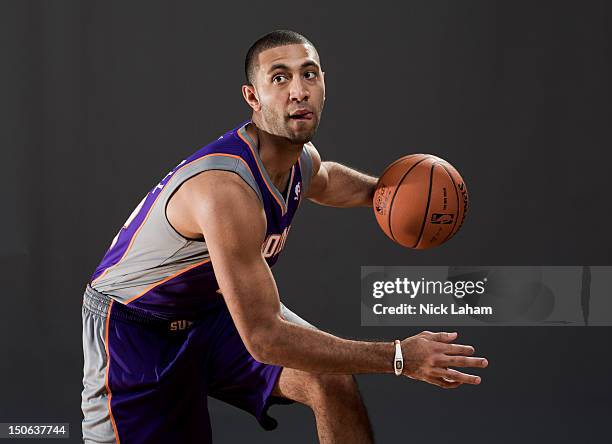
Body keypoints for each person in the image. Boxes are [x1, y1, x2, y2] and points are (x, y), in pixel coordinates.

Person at [81, 29, 488, 444]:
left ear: (324, 84)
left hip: (210, 313)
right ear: (252, 97)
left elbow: (327, 179)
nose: (299, 91)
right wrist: (400, 357)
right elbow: (264, 337)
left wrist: (392, 198)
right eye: (280, 78)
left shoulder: (297, 161)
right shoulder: (226, 192)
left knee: (329, 380)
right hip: (136, 334)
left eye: (309, 75)